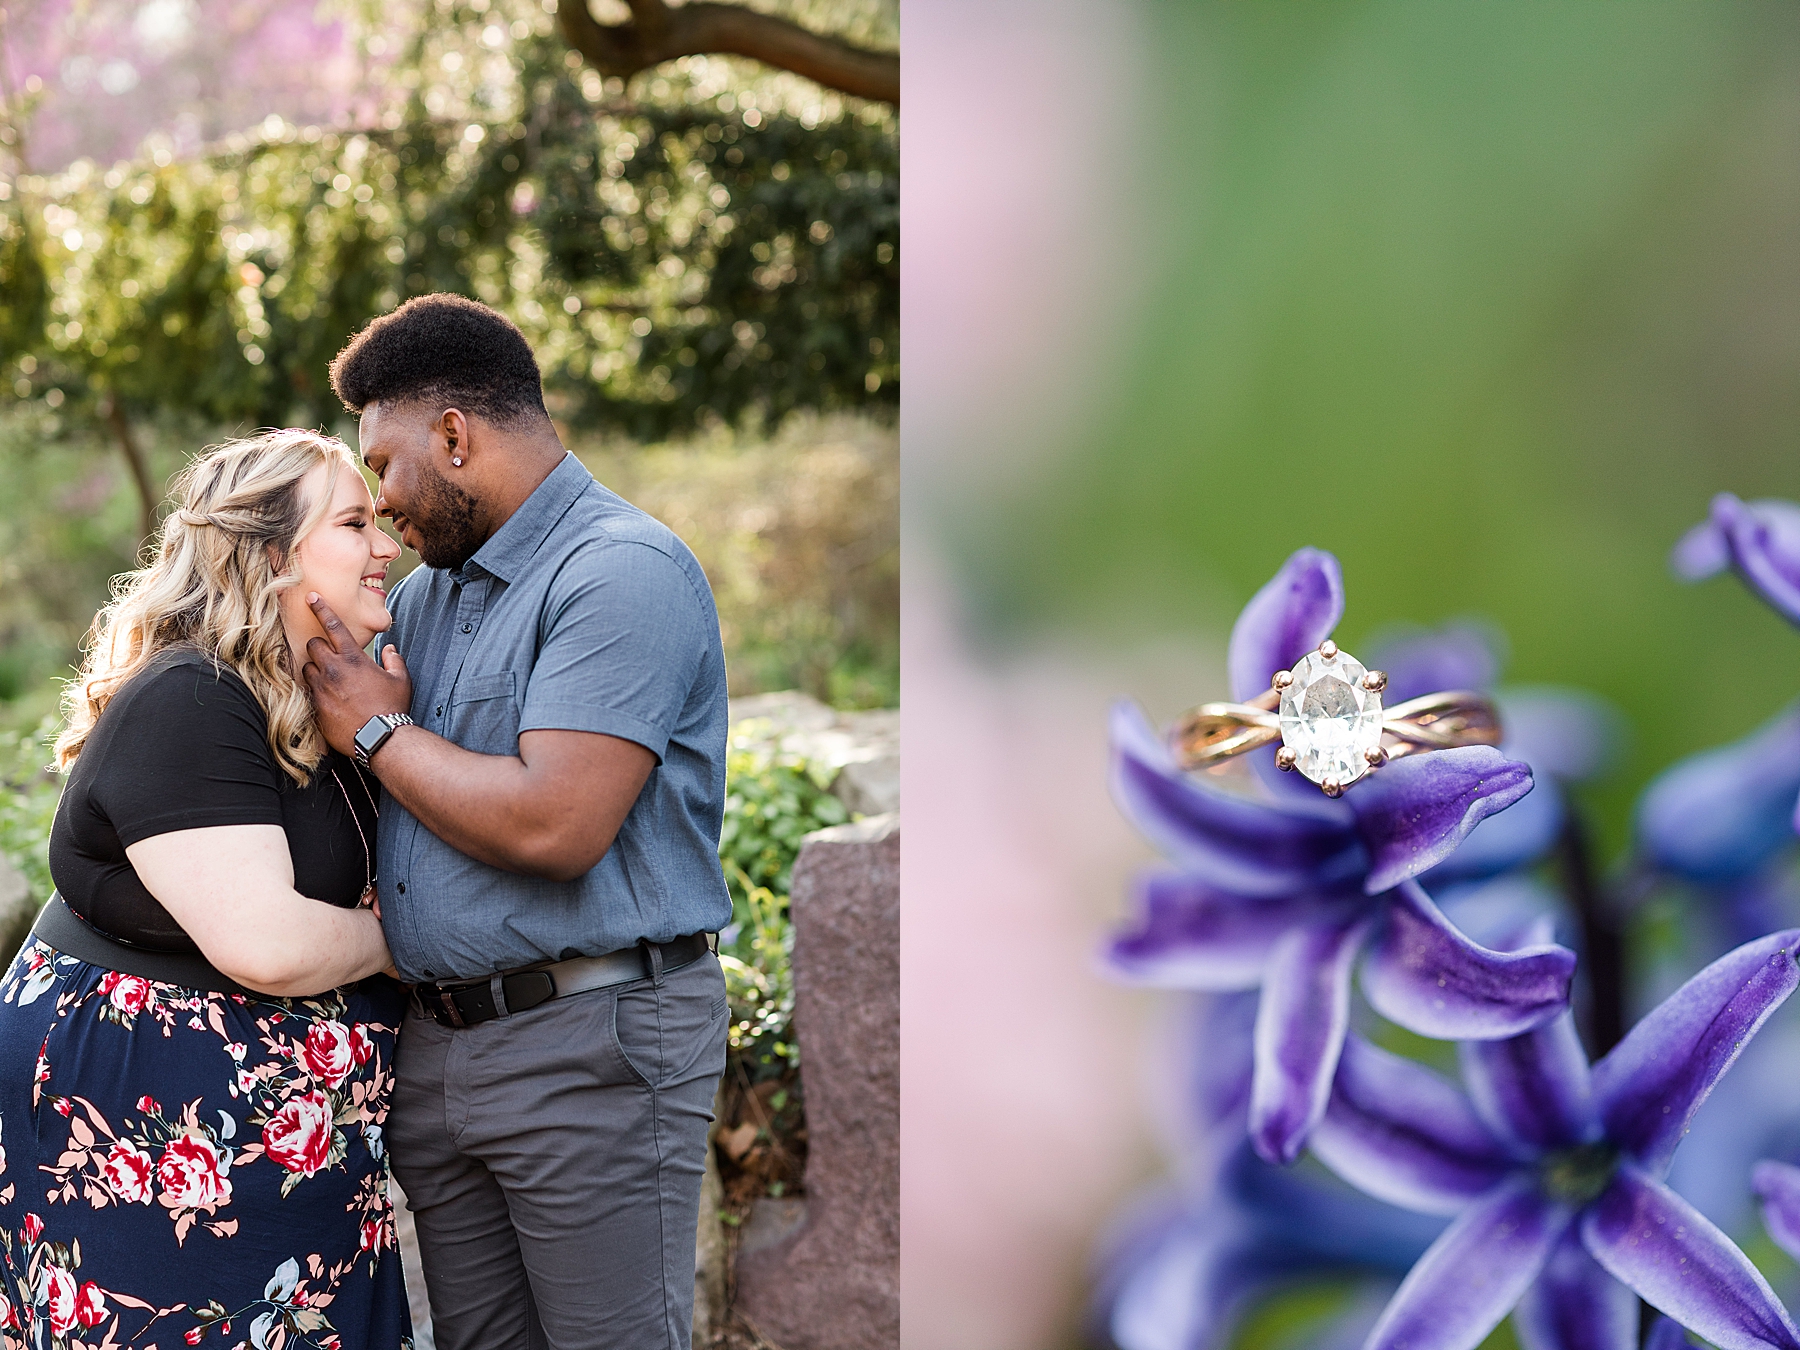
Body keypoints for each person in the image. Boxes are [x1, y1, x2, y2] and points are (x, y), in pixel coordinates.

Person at [301, 294, 732, 1350]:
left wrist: (379, 732)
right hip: (445, 1054)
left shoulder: (620, 572)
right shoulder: (436, 595)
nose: (382, 503)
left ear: (455, 437)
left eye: (386, 466)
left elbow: (557, 825)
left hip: (591, 1050)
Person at [0, 430, 413, 1347]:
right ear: (270, 555)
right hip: (140, 1127)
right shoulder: (193, 695)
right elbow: (264, 942)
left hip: (268, 1148)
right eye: (355, 523)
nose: (388, 546)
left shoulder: (304, 698)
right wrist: (400, 937)